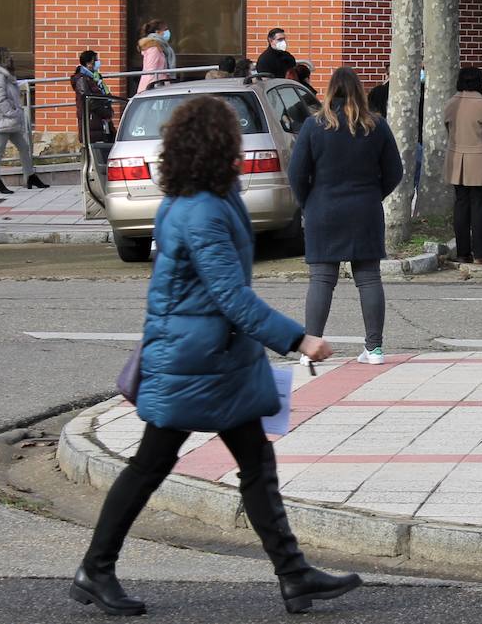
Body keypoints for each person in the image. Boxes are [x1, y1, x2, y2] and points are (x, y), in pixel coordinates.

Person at [70, 95, 358, 617]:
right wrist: (299, 338)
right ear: (216, 148)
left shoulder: (207, 198)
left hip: (215, 361)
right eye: (232, 141)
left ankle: (294, 576)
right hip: (192, 363)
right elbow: (231, 296)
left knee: (251, 464)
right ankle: (95, 568)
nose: (241, 151)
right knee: (150, 465)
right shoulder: (200, 210)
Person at [287, 68, 403, 367]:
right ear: (359, 92)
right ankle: (374, 349)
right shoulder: (376, 125)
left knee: (322, 280)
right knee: (369, 278)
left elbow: (296, 173)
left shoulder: (314, 126)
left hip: (323, 209)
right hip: (364, 209)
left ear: (329, 91)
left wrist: (308, 203)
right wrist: (373, 195)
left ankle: (310, 348)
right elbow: (395, 171)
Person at [444, 66, 482, 265]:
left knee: (461, 205)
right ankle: (480, 253)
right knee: (479, 207)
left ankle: (463, 252)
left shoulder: (451, 103)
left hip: (456, 158)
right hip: (480, 159)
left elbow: (447, 128)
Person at [0, 47, 47, 194]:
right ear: (3, 59)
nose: (12, 59)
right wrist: (11, 113)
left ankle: (30, 176)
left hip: (8, 120)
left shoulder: (5, 76)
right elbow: (0, 98)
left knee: (23, 147)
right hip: (3, 119)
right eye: (9, 56)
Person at [72, 50, 119, 145]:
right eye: (95, 60)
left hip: (101, 120)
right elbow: (89, 101)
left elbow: (105, 94)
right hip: (92, 120)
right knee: (95, 149)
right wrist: (105, 112)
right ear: (89, 63)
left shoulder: (96, 78)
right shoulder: (82, 79)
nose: (98, 62)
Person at [136, 19, 174, 93]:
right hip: (154, 86)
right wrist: (151, 88)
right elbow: (151, 70)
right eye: (165, 29)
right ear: (157, 32)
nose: (167, 32)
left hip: (160, 84)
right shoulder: (153, 48)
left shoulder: (161, 47)